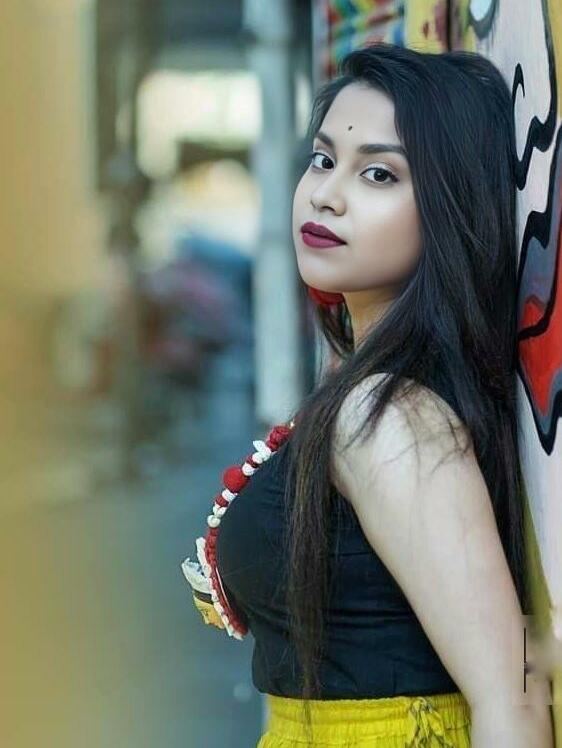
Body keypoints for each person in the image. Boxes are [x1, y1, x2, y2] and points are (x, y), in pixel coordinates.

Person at [181, 42, 555, 747]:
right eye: (323, 160)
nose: (326, 193)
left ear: (448, 208)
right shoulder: (367, 390)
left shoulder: (390, 417)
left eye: (379, 173)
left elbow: (511, 698)